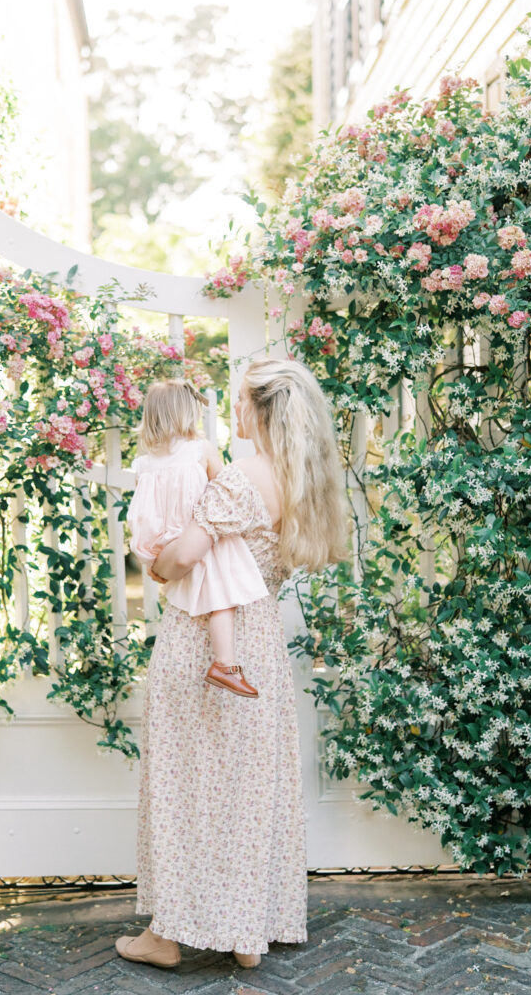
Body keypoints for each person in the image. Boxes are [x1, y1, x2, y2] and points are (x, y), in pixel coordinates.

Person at [115, 357, 349, 971]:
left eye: (241, 399)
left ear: (262, 408)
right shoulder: (301, 479)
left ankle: (167, 935)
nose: (234, 410)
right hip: (260, 642)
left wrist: (152, 556)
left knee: (184, 783)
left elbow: (178, 559)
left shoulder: (241, 478)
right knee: (248, 787)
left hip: (202, 641)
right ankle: (248, 933)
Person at [127, 377, 268, 697]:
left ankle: (222, 663)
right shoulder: (199, 450)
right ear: (186, 414)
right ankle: (225, 663)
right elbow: (225, 488)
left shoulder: (144, 464)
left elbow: (145, 511)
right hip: (197, 534)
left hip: (165, 543)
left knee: (195, 596)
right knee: (224, 598)